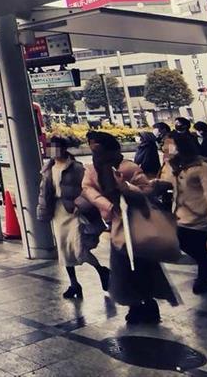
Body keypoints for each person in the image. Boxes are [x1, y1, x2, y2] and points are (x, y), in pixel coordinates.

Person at [82, 131, 177, 324]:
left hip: (137, 223)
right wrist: (108, 205)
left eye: (98, 149)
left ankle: (149, 304)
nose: (95, 154)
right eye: (92, 149)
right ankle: (135, 304)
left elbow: (146, 191)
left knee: (142, 264)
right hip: (117, 225)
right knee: (123, 267)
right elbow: (88, 189)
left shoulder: (128, 168)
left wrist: (124, 187)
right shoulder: (93, 170)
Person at [36, 137, 109, 298]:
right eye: (50, 148)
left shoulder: (76, 167)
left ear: (63, 149)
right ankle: (74, 284)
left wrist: (80, 204)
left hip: (74, 213)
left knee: (79, 248)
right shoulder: (48, 168)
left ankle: (101, 270)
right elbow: (44, 192)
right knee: (64, 250)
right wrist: (43, 210)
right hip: (58, 213)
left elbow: (87, 188)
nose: (53, 151)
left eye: (56, 147)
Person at [156, 132, 207, 293]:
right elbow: (168, 183)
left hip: (200, 215)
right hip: (182, 214)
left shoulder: (201, 166)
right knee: (188, 244)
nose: (166, 147)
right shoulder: (175, 165)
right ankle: (206, 265)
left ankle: (203, 275)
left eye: (169, 144)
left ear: (180, 146)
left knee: (194, 245)